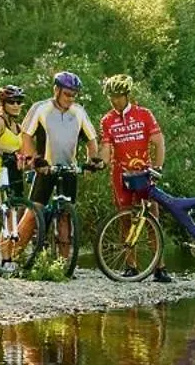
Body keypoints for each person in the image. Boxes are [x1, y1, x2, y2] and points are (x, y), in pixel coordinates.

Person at [19, 70, 100, 270]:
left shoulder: (79, 112)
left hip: (69, 170)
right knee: (34, 211)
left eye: (73, 95)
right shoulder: (41, 108)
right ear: (56, 90)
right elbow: (26, 135)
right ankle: (12, 255)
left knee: (66, 215)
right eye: (66, 94)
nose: (70, 99)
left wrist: (92, 161)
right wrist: (35, 159)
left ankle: (63, 265)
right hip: (46, 168)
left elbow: (91, 140)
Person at [97, 73, 173, 282]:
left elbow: (159, 142)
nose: (114, 100)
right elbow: (106, 148)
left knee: (152, 219)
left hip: (143, 173)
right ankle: (131, 266)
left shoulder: (144, 115)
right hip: (120, 174)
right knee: (124, 219)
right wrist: (100, 162)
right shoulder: (107, 120)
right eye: (110, 96)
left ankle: (160, 267)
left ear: (127, 95)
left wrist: (157, 167)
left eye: (118, 96)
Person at [0, 83, 31, 265]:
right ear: (3, 104)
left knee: (15, 215)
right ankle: (5, 260)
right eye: (12, 102)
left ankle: (10, 257)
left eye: (19, 102)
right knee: (8, 214)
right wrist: (11, 150)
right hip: (1, 172)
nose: (17, 105)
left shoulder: (18, 127)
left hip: (15, 172)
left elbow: (22, 149)